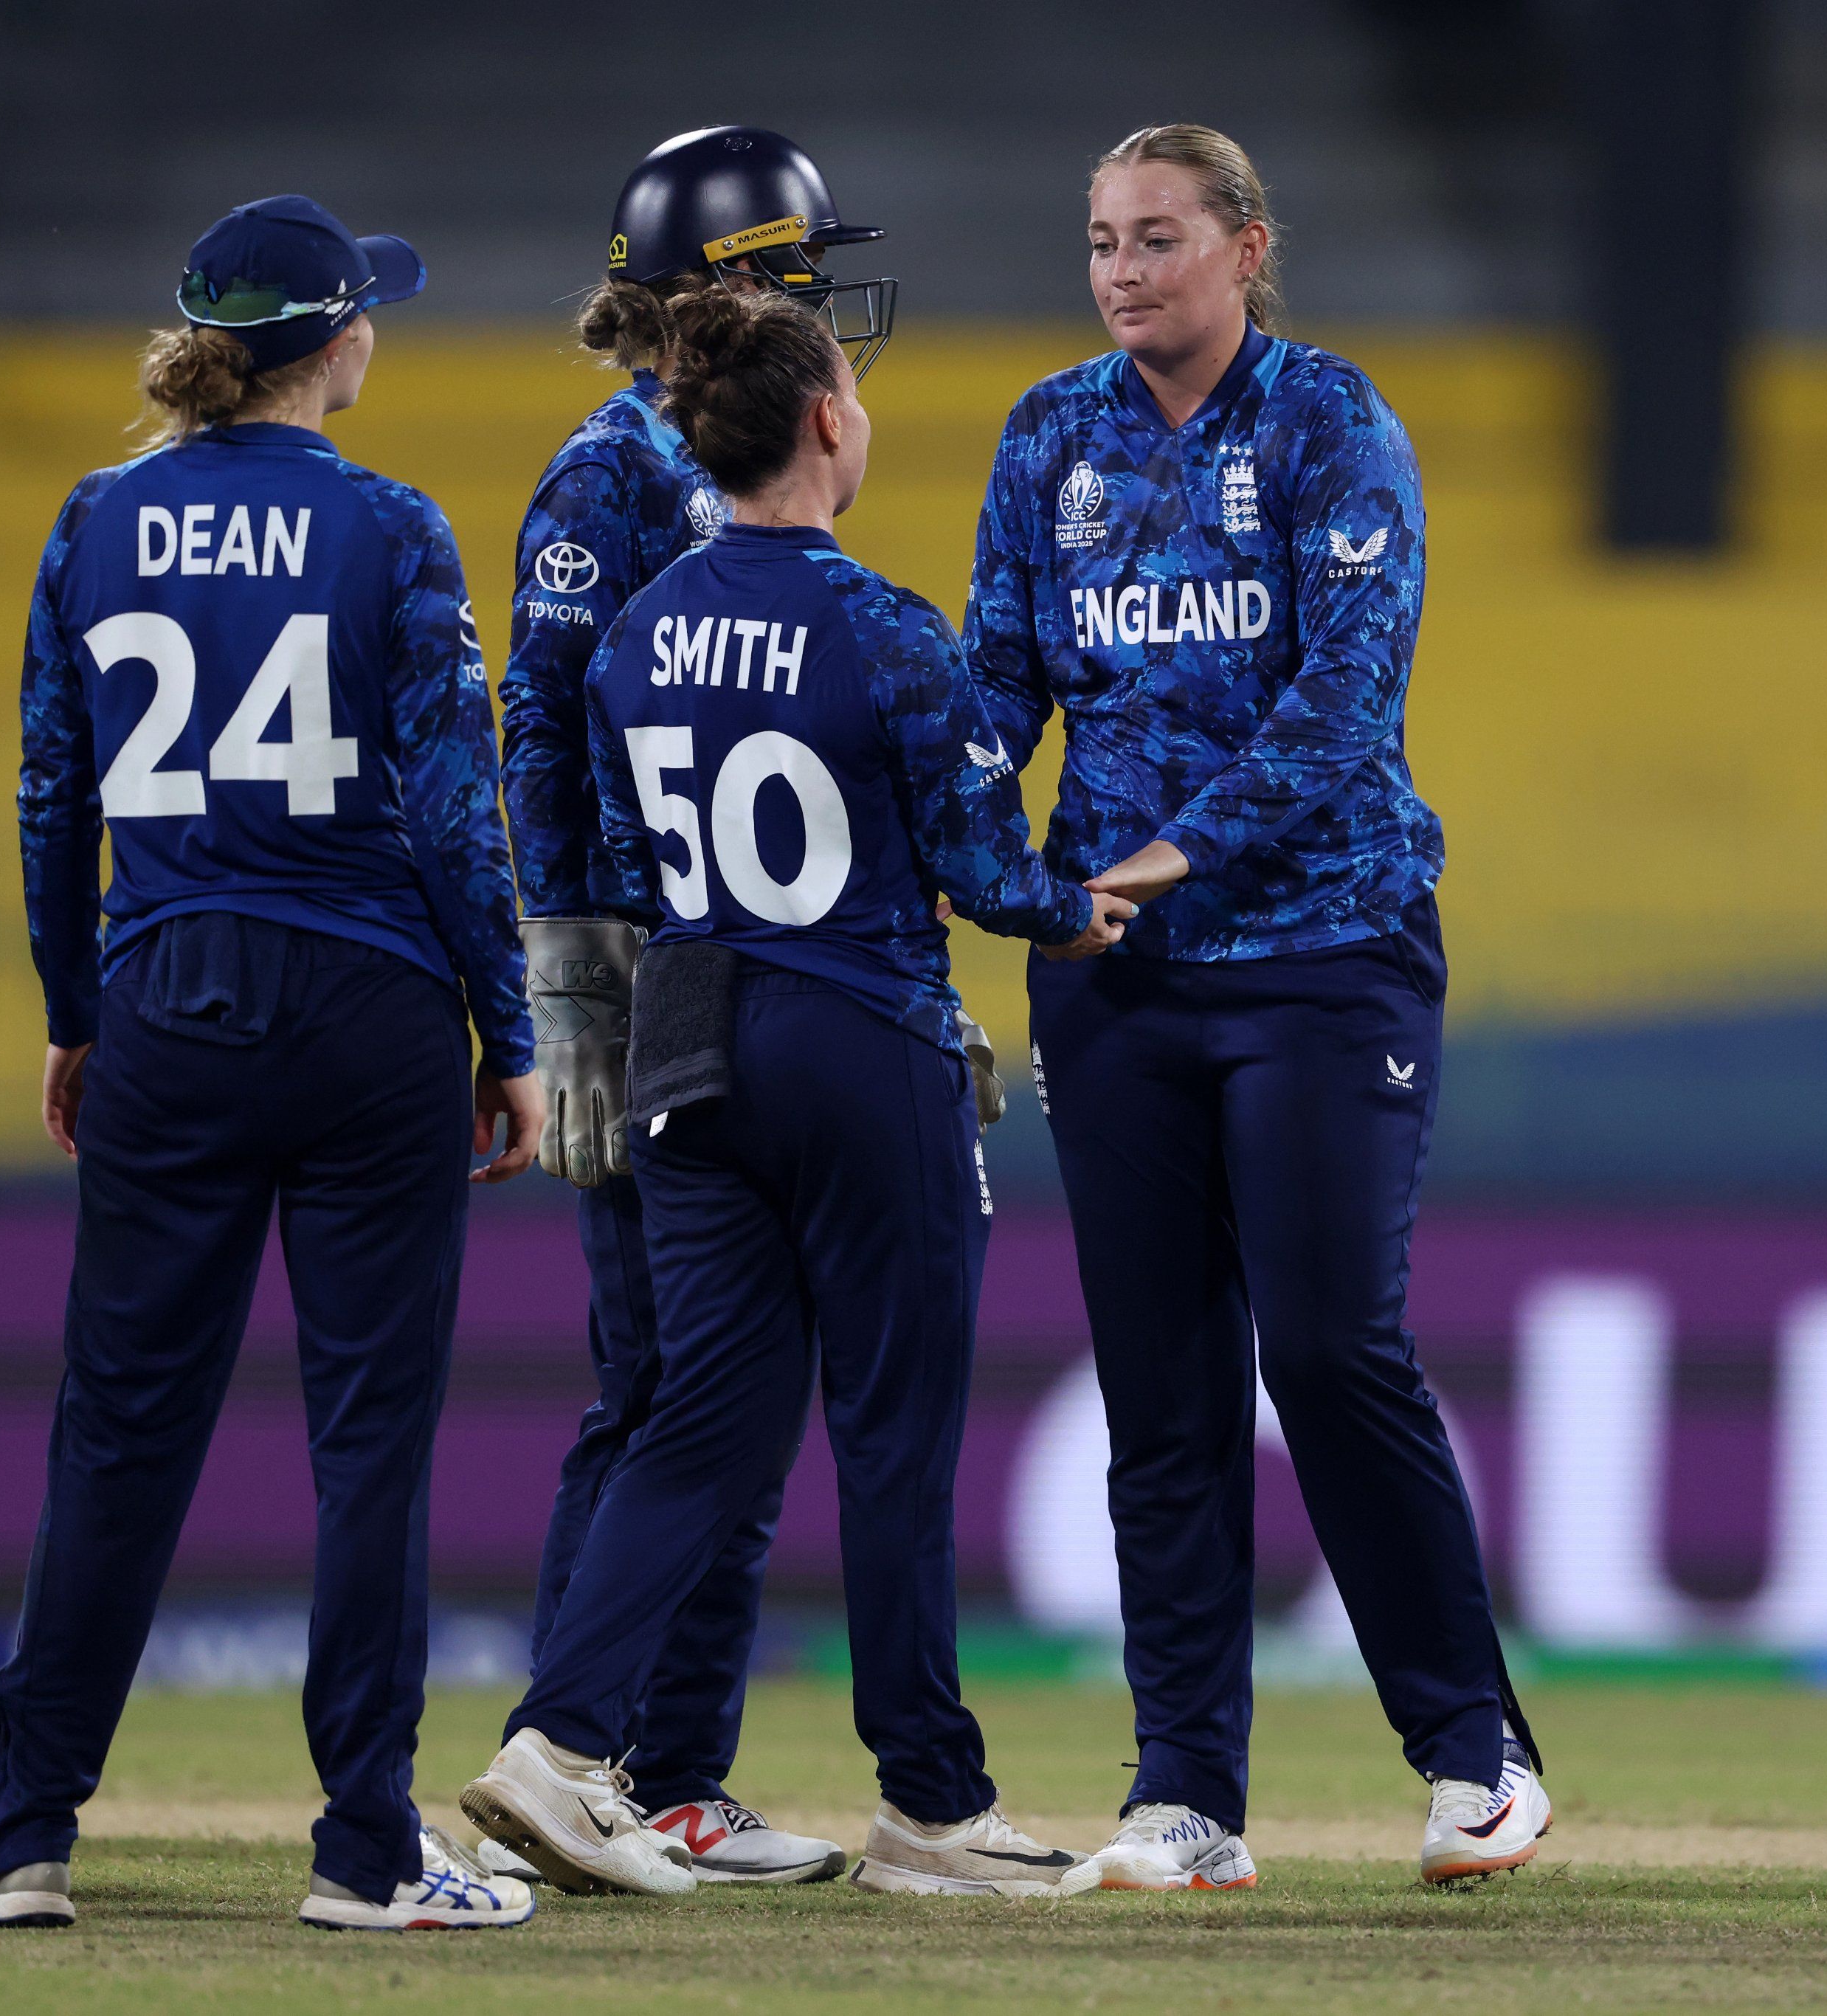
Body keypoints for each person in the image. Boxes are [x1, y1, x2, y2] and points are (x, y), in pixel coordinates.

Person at [0, 196, 541, 1935]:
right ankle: (364, 1852)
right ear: (335, 341)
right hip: (371, 1007)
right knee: (370, 1443)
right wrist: (511, 1027)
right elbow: (448, 805)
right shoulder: (392, 525)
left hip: (168, 1001)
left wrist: (74, 1007)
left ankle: (20, 1836)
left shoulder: (96, 520)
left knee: (114, 1433)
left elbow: (55, 793)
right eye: (370, 316)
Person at [460, 286, 1132, 1898]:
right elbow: (983, 867)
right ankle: (933, 1805)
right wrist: (1080, 906)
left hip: (690, 1037)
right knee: (892, 1437)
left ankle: (553, 1750)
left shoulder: (635, 631)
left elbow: (612, 845)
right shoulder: (888, 627)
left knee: (698, 1418)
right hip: (858, 1040)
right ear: (827, 418)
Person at [961, 123, 1543, 1891]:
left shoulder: (1332, 427)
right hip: (1111, 986)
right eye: (1097, 241)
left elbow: (1341, 709)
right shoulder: (1046, 436)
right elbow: (994, 681)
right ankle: (1184, 1800)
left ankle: (1474, 1758)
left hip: (1321, 952)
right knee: (1159, 1383)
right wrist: (963, 845)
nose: (1121, 270)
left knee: (1330, 1346)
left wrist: (1150, 860)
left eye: (1154, 237)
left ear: (1243, 247)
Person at [493, 123, 896, 1889]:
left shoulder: (684, 454)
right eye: (799, 270)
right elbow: (538, 735)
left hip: (739, 969)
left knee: (720, 1384)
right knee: (662, 1379)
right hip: (660, 980)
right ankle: (574, 1758)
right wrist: (568, 991)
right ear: (729, 289)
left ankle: (665, 1771)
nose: (825, 306)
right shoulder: (610, 474)